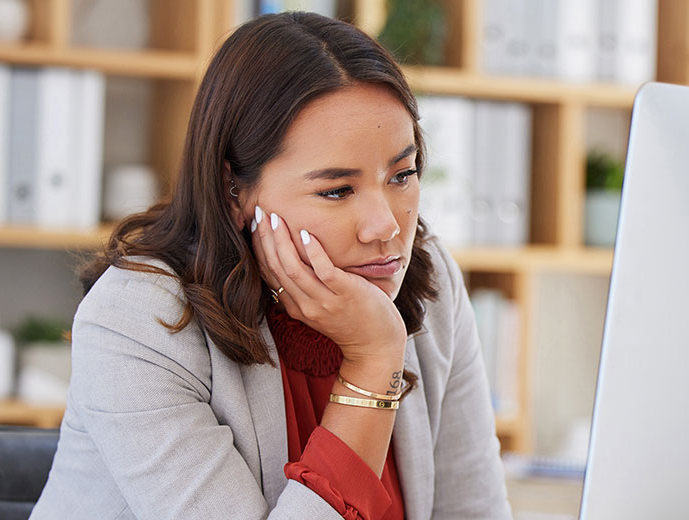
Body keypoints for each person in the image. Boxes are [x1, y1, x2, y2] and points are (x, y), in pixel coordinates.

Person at [30, 11, 511, 520]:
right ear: (234, 191)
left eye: (402, 174)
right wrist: (373, 364)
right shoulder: (137, 321)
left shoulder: (430, 278)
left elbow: (473, 511)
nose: (385, 227)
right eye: (336, 190)